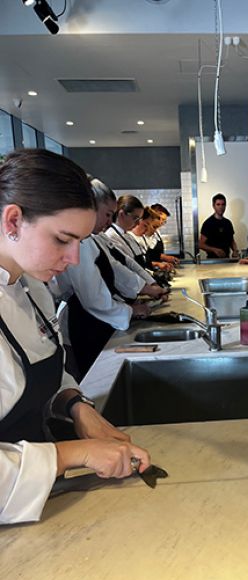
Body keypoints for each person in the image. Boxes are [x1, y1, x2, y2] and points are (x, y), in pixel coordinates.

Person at [0, 149, 150, 525]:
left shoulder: (32, 286)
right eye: (63, 239)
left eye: (79, 242)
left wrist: (77, 408)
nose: (74, 258)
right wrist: (74, 454)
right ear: (13, 221)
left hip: (41, 501)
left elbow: (40, 369)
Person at [55, 183, 165, 380]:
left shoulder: (95, 239)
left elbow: (119, 267)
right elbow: (93, 297)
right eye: (107, 214)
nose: (109, 221)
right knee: (94, 378)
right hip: (84, 323)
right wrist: (130, 310)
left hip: (99, 319)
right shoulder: (82, 242)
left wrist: (147, 287)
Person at [199, 193, 239, 258]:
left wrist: (235, 251)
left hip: (227, 260)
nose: (221, 207)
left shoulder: (228, 223)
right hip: (212, 261)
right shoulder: (208, 223)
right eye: (218, 204)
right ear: (213, 206)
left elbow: (232, 241)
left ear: (225, 206)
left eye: (223, 204)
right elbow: (201, 244)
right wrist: (214, 250)